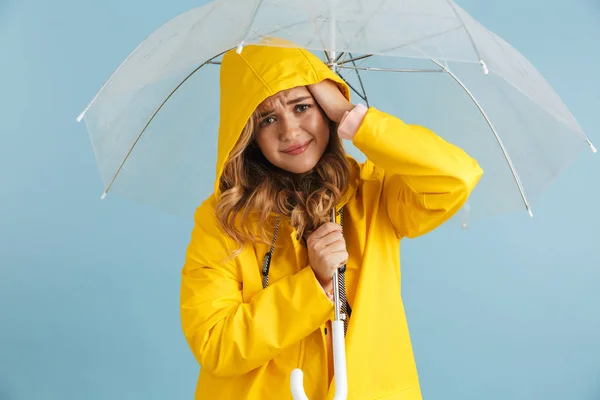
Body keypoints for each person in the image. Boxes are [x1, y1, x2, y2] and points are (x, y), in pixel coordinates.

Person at [180, 41, 483, 400]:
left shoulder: (375, 193)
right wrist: (314, 285)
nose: (290, 132)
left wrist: (350, 115)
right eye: (267, 118)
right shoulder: (223, 221)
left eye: (303, 106)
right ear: (248, 135)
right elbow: (216, 344)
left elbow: (456, 177)